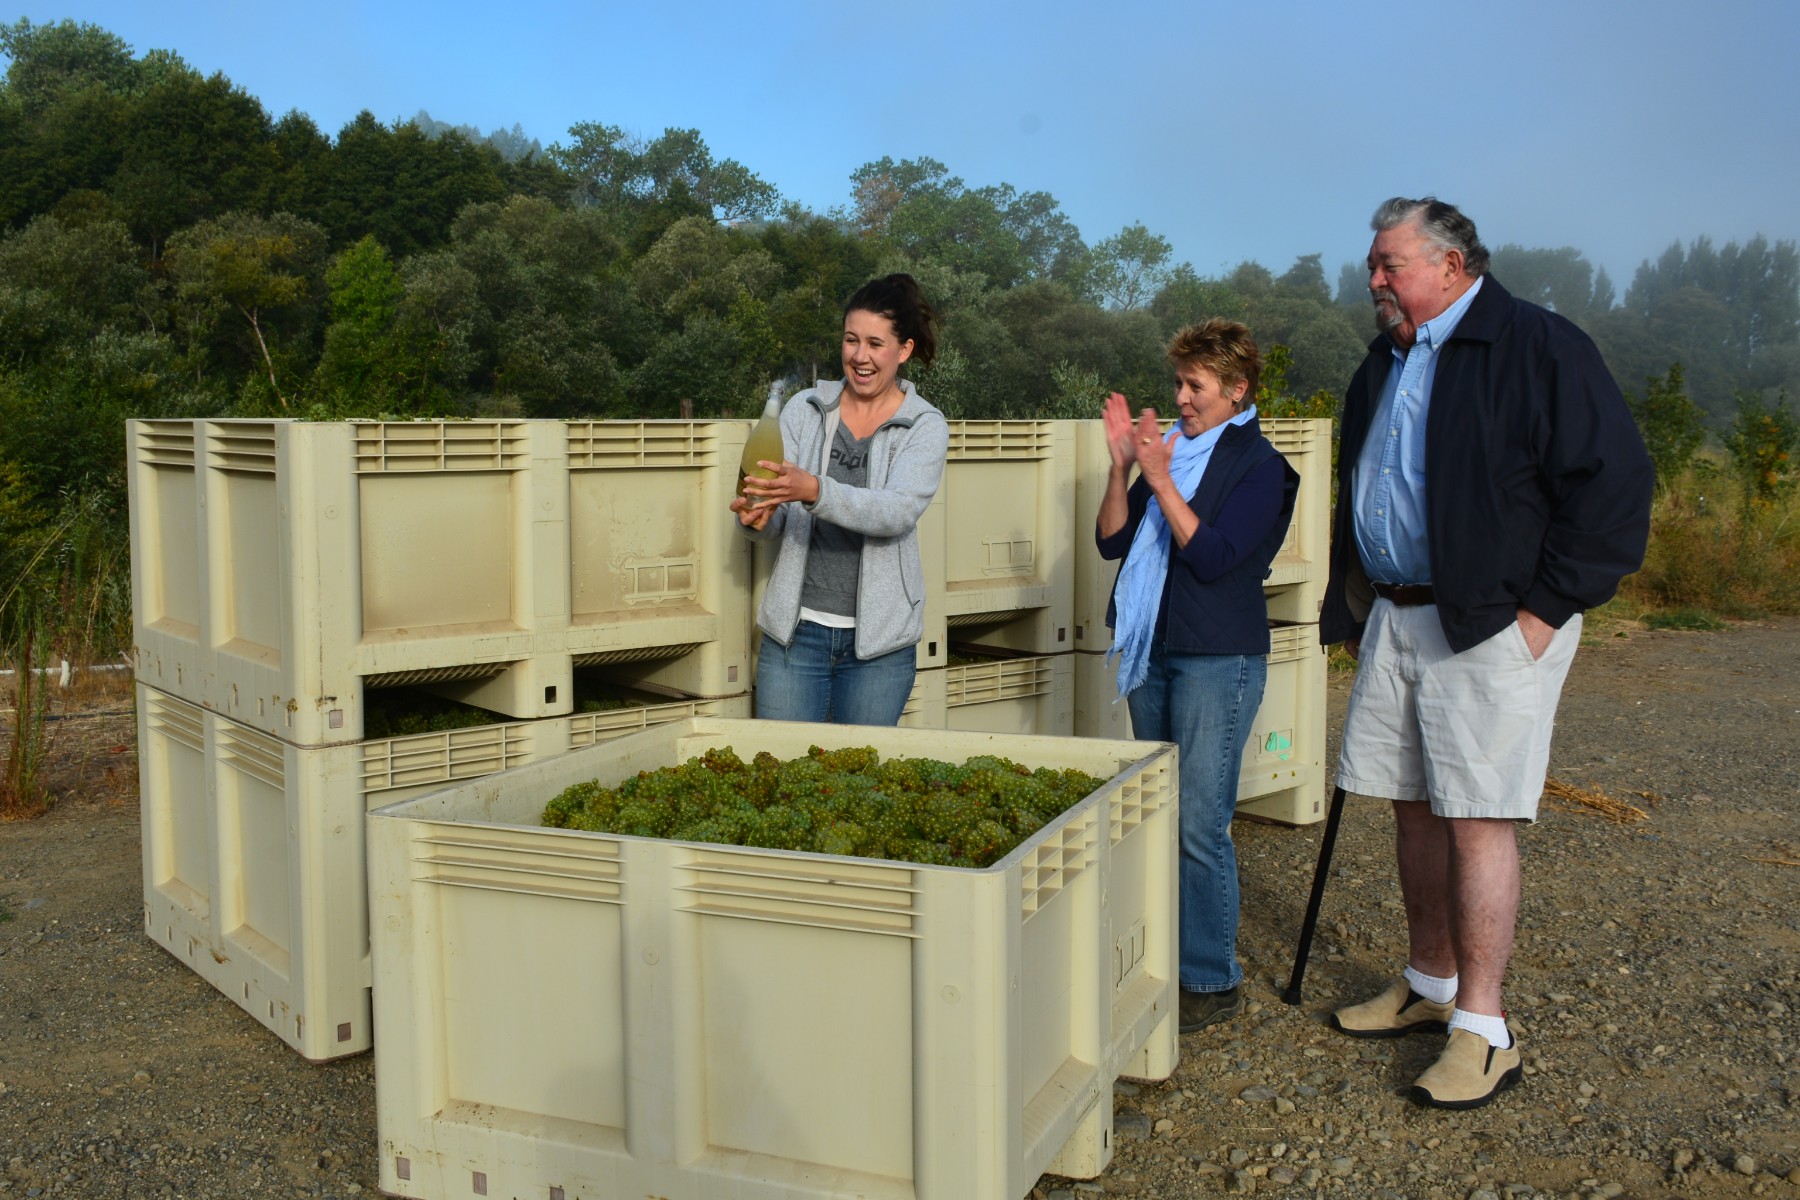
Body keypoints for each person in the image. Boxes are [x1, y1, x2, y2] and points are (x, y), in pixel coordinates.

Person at [1321, 197, 1654, 1109]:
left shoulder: (1540, 347)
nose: (1375, 280)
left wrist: (1544, 612)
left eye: (1389, 264)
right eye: (1375, 266)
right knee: (1413, 808)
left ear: (1453, 264)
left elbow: (1616, 487)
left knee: (1476, 816)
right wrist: (1353, 608)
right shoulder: (1381, 364)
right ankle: (1429, 987)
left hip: (1492, 623)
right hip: (1398, 615)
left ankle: (1484, 1028)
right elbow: (1367, 487)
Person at [1097, 319, 1300, 1034]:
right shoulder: (1171, 452)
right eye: (1178, 383)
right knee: (1156, 811)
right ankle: (1160, 959)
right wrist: (1122, 468)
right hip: (1152, 645)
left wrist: (1158, 476)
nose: (1181, 398)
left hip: (1218, 656)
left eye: (1195, 386)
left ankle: (1211, 979)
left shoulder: (1261, 467)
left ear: (1237, 389)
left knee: (1199, 821)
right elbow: (1111, 540)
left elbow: (1214, 558)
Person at [731, 273, 948, 725]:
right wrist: (758, 518)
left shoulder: (925, 425)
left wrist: (814, 489)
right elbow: (778, 513)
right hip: (795, 637)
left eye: (875, 343)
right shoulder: (804, 408)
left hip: (879, 648)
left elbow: (896, 511)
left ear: (903, 350)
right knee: (782, 775)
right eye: (851, 340)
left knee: (861, 783)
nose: (860, 356)